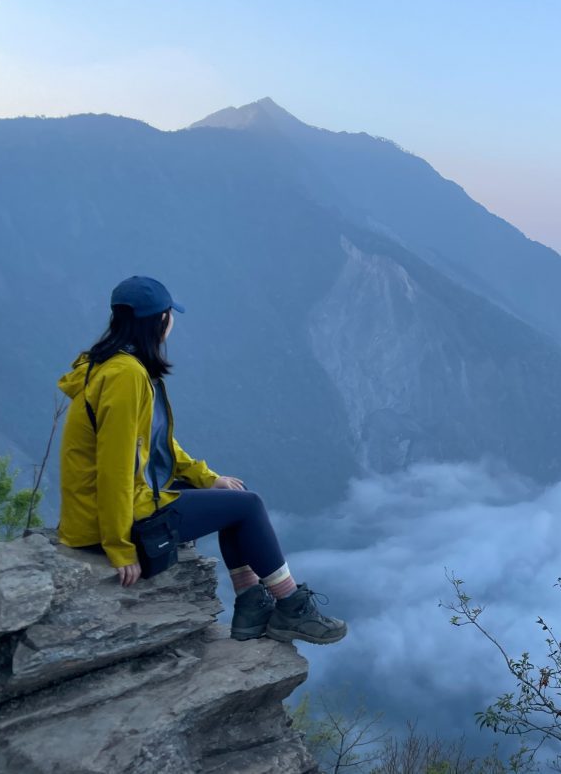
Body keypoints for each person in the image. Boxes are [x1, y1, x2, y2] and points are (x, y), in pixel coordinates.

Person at [57, 275, 347, 645]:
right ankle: (289, 606)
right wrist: (119, 547)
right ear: (159, 320)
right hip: (113, 520)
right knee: (248, 506)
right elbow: (115, 467)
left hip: (111, 506)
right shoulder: (126, 376)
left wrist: (207, 478)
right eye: (169, 315)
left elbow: (156, 444)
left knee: (233, 496)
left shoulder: (112, 364)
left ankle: (251, 604)